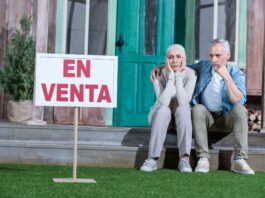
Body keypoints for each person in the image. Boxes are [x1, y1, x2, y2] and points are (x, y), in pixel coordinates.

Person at [150, 39, 254, 175]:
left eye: (218, 55)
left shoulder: (236, 74)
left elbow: (238, 100)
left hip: (226, 118)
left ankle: (240, 159)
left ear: (228, 55)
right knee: (198, 108)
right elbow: (180, 64)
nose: (214, 59)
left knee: (241, 110)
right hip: (206, 118)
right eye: (211, 55)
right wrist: (160, 67)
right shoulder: (204, 66)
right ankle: (203, 158)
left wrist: (226, 77)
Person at [140, 44, 197, 172]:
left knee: (183, 109)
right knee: (163, 110)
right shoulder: (159, 74)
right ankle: (152, 159)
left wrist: (178, 76)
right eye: (170, 57)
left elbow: (183, 101)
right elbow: (164, 102)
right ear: (166, 59)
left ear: (184, 59)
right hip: (161, 116)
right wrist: (171, 77)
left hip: (181, 119)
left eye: (178, 57)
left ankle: (184, 160)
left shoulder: (191, 74)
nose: (174, 60)